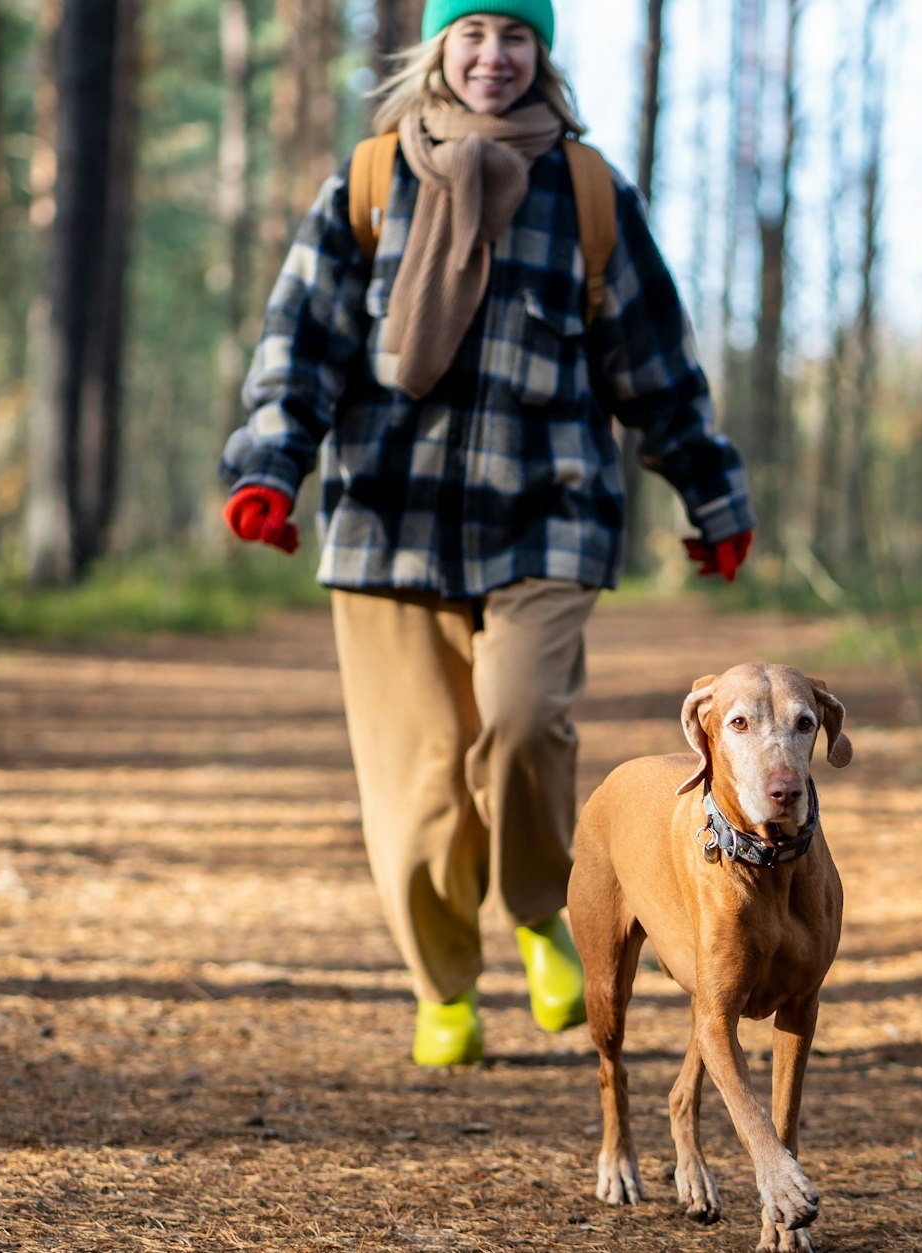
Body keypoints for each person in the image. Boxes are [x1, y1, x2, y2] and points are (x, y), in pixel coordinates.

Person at [218, 0, 755, 1067]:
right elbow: (302, 340)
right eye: (473, 34)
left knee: (521, 727)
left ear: (539, 54)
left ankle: (539, 909)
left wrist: (711, 495)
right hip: (387, 522)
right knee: (417, 783)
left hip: (549, 515)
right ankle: (443, 986)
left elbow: (653, 360)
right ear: (439, 48)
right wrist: (269, 468)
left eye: (515, 37)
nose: (493, 57)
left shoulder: (588, 190)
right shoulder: (370, 182)